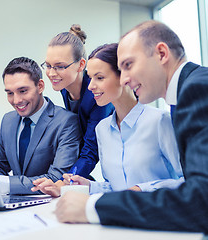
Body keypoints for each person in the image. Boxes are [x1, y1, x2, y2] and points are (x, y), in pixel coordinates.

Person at [54, 20, 208, 233]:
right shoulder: (187, 92)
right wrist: (89, 188)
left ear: (161, 54)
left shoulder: (195, 91)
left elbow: (198, 197)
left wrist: (93, 207)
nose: (126, 78)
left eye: (128, 65)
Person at [32, 43, 184, 197]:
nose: (90, 86)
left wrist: (142, 189)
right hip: (120, 218)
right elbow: (115, 188)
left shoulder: (161, 121)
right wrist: (88, 186)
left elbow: (190, 181)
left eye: (99, 77)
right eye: (90, 78)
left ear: (124, 77)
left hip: (159, 217)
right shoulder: (102, 129)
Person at [0, 56, 81, 195]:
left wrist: (5, 184)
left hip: (50, 206)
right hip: (14, 207)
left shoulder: (67, 122)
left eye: (23, 91)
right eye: (10, 93)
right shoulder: (8, 121)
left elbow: (56, 178)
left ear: (40, 86)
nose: (16, 100)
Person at [41, 24, 114, 179]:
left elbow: (90, 151)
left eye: (59, 67)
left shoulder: (97, 94)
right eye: (48, 66)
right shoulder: (63, 86)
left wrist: (65, 180)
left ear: (81, 65)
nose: (51, 73)